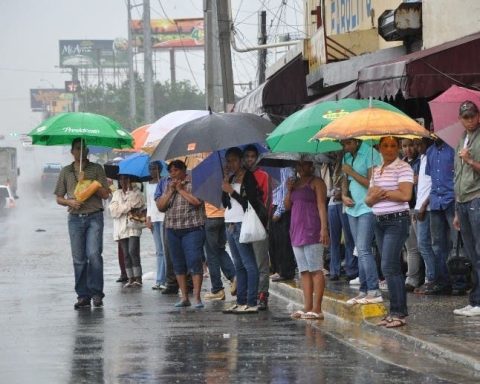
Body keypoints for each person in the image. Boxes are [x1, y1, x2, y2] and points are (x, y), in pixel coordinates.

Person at [54, 138, 110, 309]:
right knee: (79, 259)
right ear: (72, 151)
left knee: (93, 255)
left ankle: (97, 293)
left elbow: (106, 194)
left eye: (84, 148)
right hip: (75, 219)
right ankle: (83, 295)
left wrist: (87, 182)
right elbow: (59, 198)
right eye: (78, 148)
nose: (81, 151)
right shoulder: (65, 171)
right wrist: (69, 202)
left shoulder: (97, 169)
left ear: (88, 151)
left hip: (94, 216)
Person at [365, 136, 413, 328]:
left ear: (398, 147)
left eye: (393, 145)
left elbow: (405, 195)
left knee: (389, 266)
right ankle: (393, 311)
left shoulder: (403, 167)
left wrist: (380, 194)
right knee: (386, 267)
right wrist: (375, 196)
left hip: (397, 220)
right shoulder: (377, 170)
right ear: (379, 148)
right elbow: (368, 201)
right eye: (385, 145)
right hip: (378, 220)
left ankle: (399, 313)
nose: (390, 149)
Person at [157, 160, 206, 308]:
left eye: (176, 170)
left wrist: (181, 190)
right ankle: (184, 297)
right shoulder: (167, 186)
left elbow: (197, 202)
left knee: (194, 261)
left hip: (192, 228)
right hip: (172, 229)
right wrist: (171, 191)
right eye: (171, 171)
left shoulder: (194, 183)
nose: (173, 173)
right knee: (177, 264)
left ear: (184, 171)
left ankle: (197, 297)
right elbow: (160, 206)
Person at [285, 157, 329, 320]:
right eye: (299, 164)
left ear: (311, 165)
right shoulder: (294, 184)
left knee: (316, 269)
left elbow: (321, 205)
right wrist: (289, 190)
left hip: (312, 229)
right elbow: (287, 206)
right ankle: (307, 306)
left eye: (305, 164)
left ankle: (317, 309)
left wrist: (324, 228)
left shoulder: (317, 182)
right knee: (304, 271)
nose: (301, 167)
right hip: (296, 231)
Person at [222, 147, 264, 314]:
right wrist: (225, 185)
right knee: (238, 265)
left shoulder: (248, 177)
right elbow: (225, 203)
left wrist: (232, 191)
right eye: (228, 160)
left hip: (242, 223)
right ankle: (241, 300)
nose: (230, 164)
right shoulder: (231, 178)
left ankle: (252, 301)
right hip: (229, 223)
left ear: (240, 160)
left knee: (249, 264)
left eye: (233, 160)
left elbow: (250, 203)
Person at [341, 139, 383, 305]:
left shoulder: (370, 153)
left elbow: (370, 183)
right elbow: (344, 180)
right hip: (352, 207)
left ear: (355, 141)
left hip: (367, 207)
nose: (344, 147)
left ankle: (374, 289)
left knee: (364, 248)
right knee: (359, 249)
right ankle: (364, 290)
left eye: (346, 144)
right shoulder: (346, 156)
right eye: (342, 144)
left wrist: (351, 172)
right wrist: (344, 195)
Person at [425, 136, 467, 295]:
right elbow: (431, 179)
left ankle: (460, 282)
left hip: (452, 199)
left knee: (457, 244)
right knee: (437, 244)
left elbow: (458, 175)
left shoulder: (453, 149)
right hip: (436, 201)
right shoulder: (429, 151)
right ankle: (442, 282)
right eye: (432, 128)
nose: (434, 132)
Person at [453, 101, 480, 316]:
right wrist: (456, 210)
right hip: (462, 201)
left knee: (479, 252)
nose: (469, 120)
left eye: (472, 116)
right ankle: (475, 300)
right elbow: (457, 175)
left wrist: (470, 160)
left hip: (477, 198)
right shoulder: (462, 138)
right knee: (471, 254)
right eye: (465, 117)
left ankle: (478, 301)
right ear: (460, 119)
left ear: (478, 116)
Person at [243, 145, 271, 310]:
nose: (249, 159)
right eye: (247, 156)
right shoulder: (238, 176)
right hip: (243, 224)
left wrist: (264, 222)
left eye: (253, 156)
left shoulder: (262, 175)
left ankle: (262, 295)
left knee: (261, 262)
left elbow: (266, 199)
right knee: (248, 262)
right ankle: (250, 293)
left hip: (259, 221)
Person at [109, 174, 146, 287]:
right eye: (121, 179)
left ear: (130, 180)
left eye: (126, 179)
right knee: (125, 254)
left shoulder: (137, 192)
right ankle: (130, 278)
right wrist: (126, 207)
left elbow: (136, 204)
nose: (123, 181)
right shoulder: (116, 193)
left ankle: (138, 278)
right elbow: (113, 211)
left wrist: (124, 206)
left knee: (132, 251)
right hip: (120, 228)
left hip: (133, 226)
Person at [413, 138, 436, 294]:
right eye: (415, 144)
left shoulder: (431, 156)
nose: (417, 147)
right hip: (419, 206)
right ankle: (430, 278)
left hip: (427, 208)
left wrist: (423, 206)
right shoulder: (421, 158)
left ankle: (431, 279)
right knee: (423, 245)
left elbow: (435, 183)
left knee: (425, 245)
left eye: (420, 143)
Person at [203, 202, 237, 301]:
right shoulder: (221, 185)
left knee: (212, 255)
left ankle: (217, 289)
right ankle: (234, 276)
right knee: (220, 250)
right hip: (223, 216)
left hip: (210, 217)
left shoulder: (204, 186)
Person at [269, 167, 297, 282]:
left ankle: (286, 271)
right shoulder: (273, 169)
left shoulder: (287, 170)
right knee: (275, 242)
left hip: (283, 209)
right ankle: (278, 270)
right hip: (273, 206)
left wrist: (279, 211)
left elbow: (286, 192)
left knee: (284, 242)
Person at [401, 138, 422, 291]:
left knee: (424, 246)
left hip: (418, 207)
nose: (408, 149)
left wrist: (417, 180)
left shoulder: (421, 161)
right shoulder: (401, 164)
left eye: (410, 145)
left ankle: (428, 277)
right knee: (411, 247)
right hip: (405, 208)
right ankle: (411, 278)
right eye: (404, 146)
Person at [146, 161, 166, 290]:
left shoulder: (164, 183)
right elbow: (149, 203)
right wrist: (148, 218)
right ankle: (159, 280)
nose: (153, 171)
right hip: (154, 218)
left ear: (160, 170)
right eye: (151, 169)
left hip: (164, 217)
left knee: (165, 250)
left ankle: (165, 279)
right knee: (159, 251)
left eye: (155, 169)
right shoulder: (147, 185)